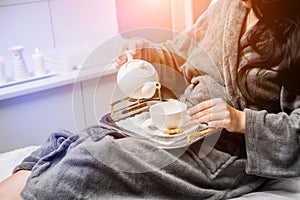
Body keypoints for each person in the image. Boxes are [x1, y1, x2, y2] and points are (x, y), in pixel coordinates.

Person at [1, 0, 300, 199]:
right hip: (181, 126)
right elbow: (182, 50)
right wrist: (147, 53)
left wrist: (240, 120)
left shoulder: (293, 35)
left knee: (87, 164)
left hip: (225, 156)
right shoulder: (227, 7)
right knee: (76, 144)